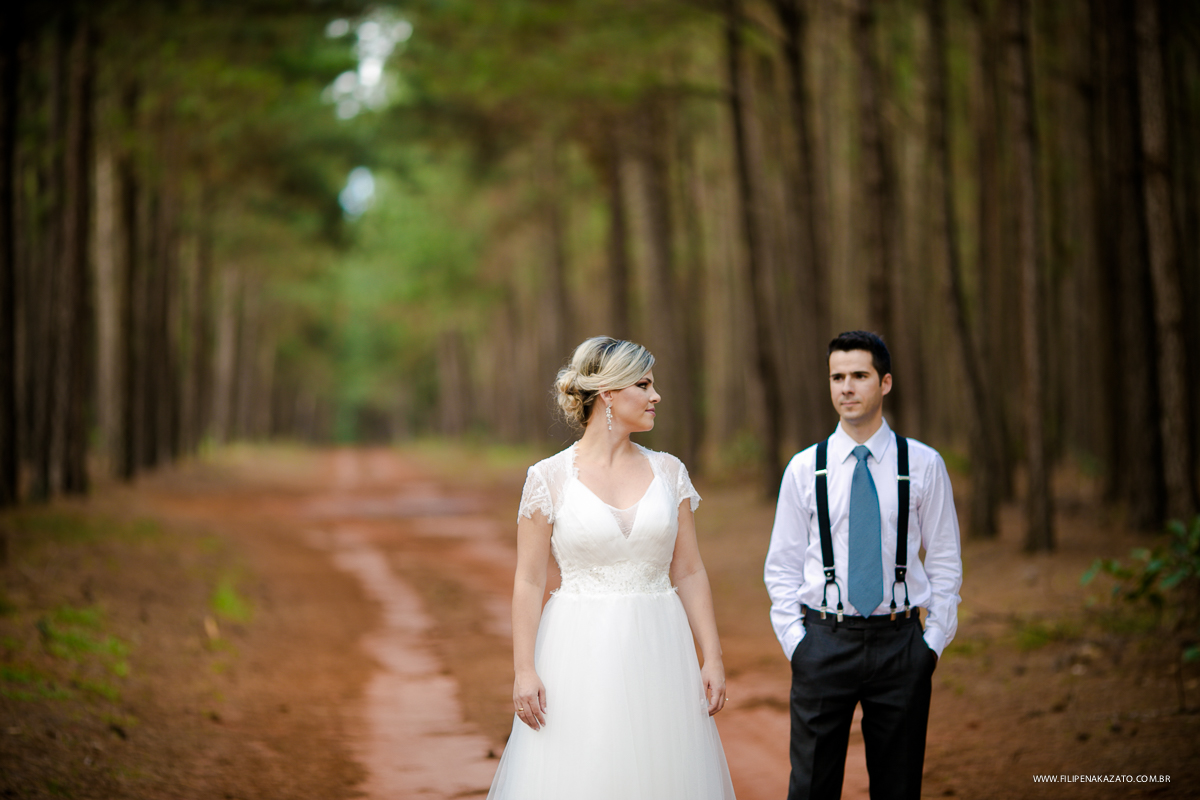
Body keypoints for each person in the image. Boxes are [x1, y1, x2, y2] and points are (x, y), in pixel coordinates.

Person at [486, 336, 737, 800]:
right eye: (643, 384)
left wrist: (713, 657)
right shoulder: (548, 478)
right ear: (608, 394)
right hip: (578, 653)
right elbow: (529, 579)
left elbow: (689, 571)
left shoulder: (669, 472)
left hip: (660, 649)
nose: (655, 396)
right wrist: (524, 669)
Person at [764, 330, 962, 800]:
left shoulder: (925, 464)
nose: (846, 387)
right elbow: (783, 566)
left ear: (885, 383)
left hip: (901, 645)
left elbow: (946, 561)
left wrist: (931, 644)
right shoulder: (803, 468)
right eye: (837, 377)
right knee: (811, 787)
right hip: (824, 642)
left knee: (898, 787)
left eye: (859, 375)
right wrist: (798, 645)